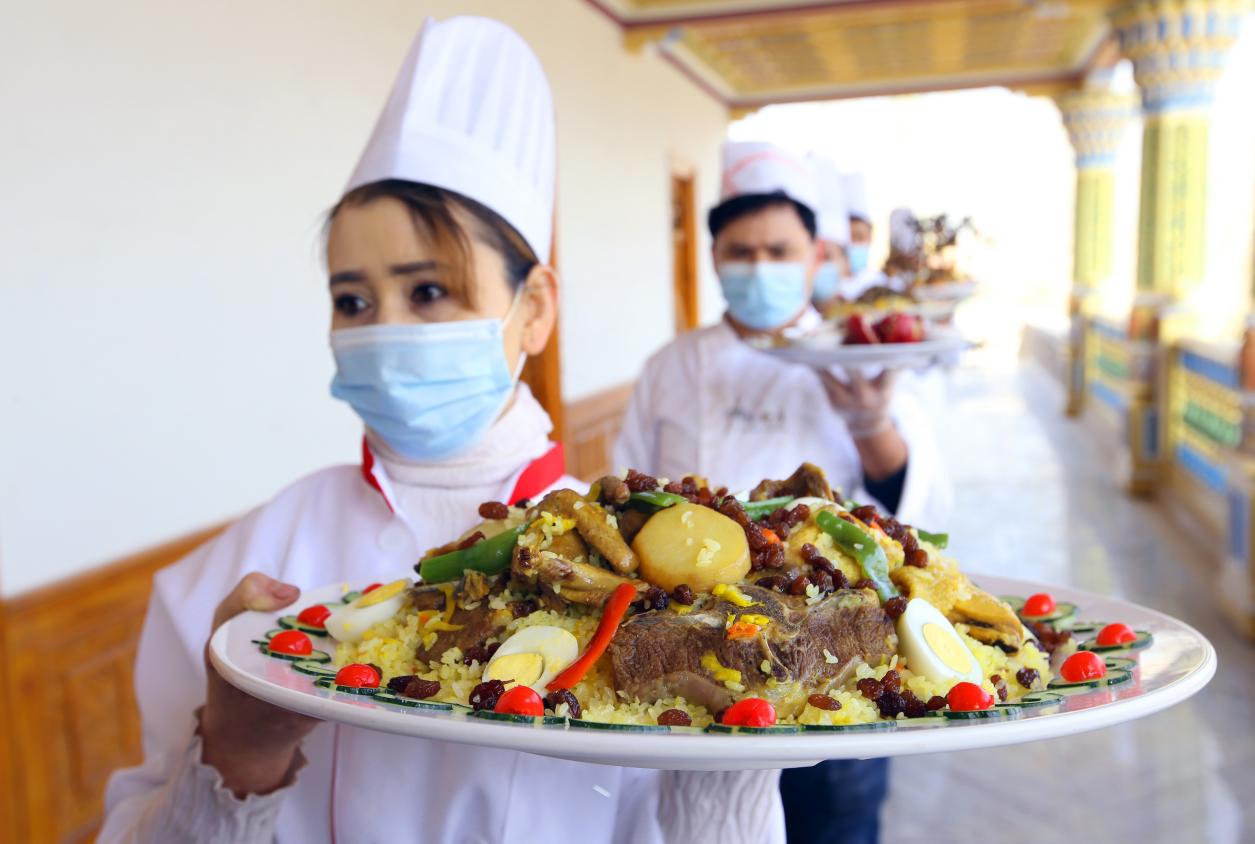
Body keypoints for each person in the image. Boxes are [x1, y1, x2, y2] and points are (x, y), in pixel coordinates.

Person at [100, 18, 783, 844]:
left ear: (533, 309)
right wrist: (239, 751)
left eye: (428, 292)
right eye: (353, 300)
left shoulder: (652, 584)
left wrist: (735, 756)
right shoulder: (251, 570)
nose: (385, 328)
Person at [613, 141, 953, 844]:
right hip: (694, 663)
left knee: (838, 821)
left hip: (838, 656)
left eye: (778, 250)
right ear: (714, 256)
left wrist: (870, 420)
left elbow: (912, 499)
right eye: (741, 251)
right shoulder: (670, 367)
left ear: (815, 256)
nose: (759, 265)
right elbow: (625, 500)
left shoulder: (860, 356)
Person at [806, 153, 853, 311]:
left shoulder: (860, 314)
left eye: (826, 256)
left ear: (845, 262)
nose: (818, 266)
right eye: (814, 257)